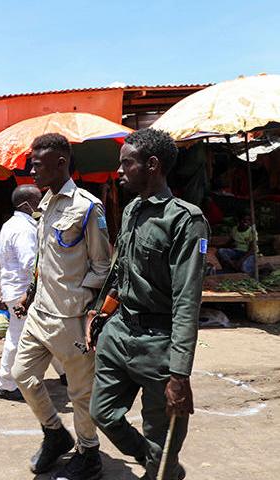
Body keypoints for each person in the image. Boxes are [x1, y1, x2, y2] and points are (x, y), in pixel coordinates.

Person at [89, 128, 209, 480]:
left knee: (163, 438)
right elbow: (119, 270)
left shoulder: (186, 220)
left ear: (152, 165)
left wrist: (179, 372)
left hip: (158, 344)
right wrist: (101, 316)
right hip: (119, 332)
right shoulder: (131, 212)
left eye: (126, 163)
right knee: (103, 413)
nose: (119, 171)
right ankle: (158, 463)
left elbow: (188, 299)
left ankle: (161, 467)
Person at [12, 133, 111, 480]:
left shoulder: (88, 207)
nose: (32, 170)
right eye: (31, 162)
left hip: (72, 319)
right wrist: (31, 290)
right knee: (21, 375)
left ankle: (89, 453)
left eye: (38, 164)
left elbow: (103, 266)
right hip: (40, 313)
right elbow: (44, 256)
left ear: (60, 163)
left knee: (81, 394)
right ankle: (55, 434)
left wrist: (85, 306)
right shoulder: (45, 202)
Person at [0, 184, 66, 402]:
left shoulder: (12, 224)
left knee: (48, 331)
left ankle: (64, 372)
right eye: (37, 201)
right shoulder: (23, 229)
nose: (41, 204)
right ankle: (4, 384)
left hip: (19, 289)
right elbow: (30, 264)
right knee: (18, 339)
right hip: (23, 292)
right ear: (26, 204)